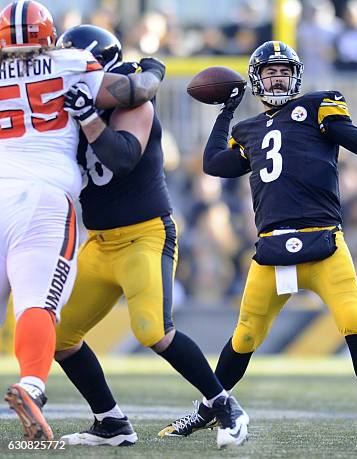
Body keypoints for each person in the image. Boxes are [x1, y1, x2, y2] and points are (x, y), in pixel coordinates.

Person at [159, 40, 357, 443]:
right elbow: (213, 164)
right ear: (257, 80)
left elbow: (347, 133)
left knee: (353, 323)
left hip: (323, 240)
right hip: (272, 248)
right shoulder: (248, 128)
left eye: (283, 70)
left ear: (295, 76)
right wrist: (226, 112)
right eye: (269, 71)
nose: (277, 77)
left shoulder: (317, 105)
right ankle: (210, 409)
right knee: (244, 337)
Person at [52, 25, 248, 449]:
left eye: (77, 67)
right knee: (59, 337)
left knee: (153, 330)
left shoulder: (133, 101)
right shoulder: (66, 105)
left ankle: (224, 404)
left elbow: (121, 158)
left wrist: (87, 116)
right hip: (99, 242)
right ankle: (111, 422)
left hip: (145, 235)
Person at [0, 0, 165, 441]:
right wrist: (154, 69)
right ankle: (32, 384)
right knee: (38, 302)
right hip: (44, 199)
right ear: (48, 38)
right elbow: (136, 91)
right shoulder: (68, 63)